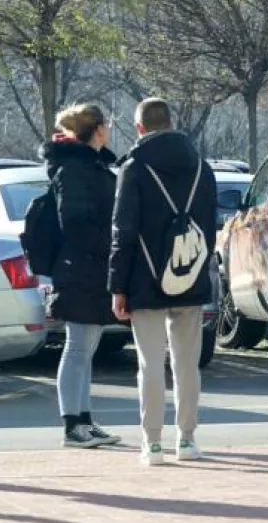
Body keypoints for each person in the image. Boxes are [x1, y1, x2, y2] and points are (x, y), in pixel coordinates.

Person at [109, 97, 217, 466]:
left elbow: (123, 231)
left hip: (144, 278)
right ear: (171, 122)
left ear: (140, 128)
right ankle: (187, 439)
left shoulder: (134, 168)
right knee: (187, 364)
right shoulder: (202, 167)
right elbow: (208, 228)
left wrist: (117, 286)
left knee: (150, 364)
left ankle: (152, 443)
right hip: (190, 275)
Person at [43, 104, 122, 449]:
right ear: (98, 129)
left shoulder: (91, 165)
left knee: (86, 347)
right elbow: (74, 222)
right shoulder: (75, 168)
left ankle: (84, 419)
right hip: (80, 268)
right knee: (77, 347)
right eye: (106, 126)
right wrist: (108, 246)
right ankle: (71, 425)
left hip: (91, 267)